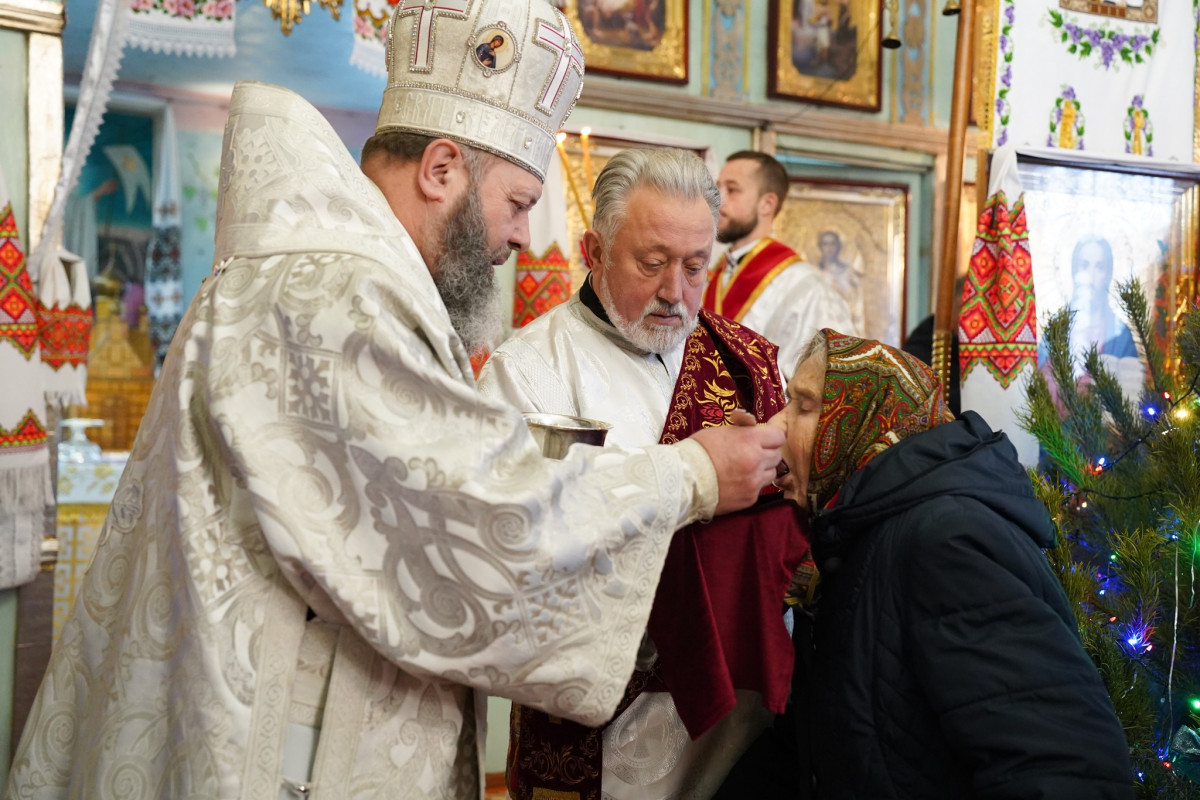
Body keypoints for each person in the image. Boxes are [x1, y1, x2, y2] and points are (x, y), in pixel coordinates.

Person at [3, 3, 785, 798]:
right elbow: (471, 523)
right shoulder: (333, 295)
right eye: (517, 202)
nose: (521, 237)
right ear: (441, 169)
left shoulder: (356, 284)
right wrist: (689, 478)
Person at [479, 148, 806, 799]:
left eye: (694, 267)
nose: (675, 293)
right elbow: (518, 540)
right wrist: (695, 479)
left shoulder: (742, 362)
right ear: (592, 250)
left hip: (736, 731)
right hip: (600, 727)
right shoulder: (529, 371)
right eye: (651, 263)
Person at [767, 329, 1134, 799]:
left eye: (803, 405)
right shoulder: (863, 534)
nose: (778, 425)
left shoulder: (943, 539)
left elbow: (1065, 766)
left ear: (862, 418)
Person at [705, 150, 855, 380]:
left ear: (767, 204)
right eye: (718, 188)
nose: (718, 199)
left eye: (732, 190)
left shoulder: (806, 287)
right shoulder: (710, 275)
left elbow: (827, 379)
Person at [1067, 234, 1137, 360]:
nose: (1091, 276)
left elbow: (1131, 375)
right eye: (1084, 265)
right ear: (1074, 271)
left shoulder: (1121, 335)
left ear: (1108, 275)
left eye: (1099, 267)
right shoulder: (1057, 330)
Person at [814, 229, 866, 336]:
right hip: (819, 322)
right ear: (820, 247)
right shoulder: (814, 272)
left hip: (842, 323)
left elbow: (854, 300)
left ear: (838, 246)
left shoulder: (847, 272)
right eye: (825, 244)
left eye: (832, 244)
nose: (829, 248)